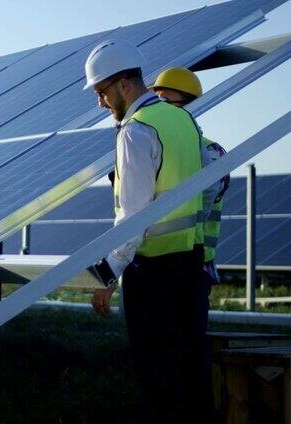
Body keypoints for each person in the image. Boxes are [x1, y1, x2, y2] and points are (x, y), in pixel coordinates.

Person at [83, 40, 210, 422]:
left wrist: (107, 275)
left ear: (123, 85)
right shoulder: (182, 119)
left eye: (102, 93)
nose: (100, 104)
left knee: (157, 378)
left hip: (153, 273)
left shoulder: (136, 133)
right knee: (192, 375)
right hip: (191, 266)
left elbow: (133, 218)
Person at [149, 67, 230, 284]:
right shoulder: (151, 146)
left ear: (191, 105)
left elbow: (204, 198)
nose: (158, 107)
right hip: (151, 257)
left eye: (165, 100)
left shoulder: (212, 152)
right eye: (155, 100)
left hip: (193, 260)